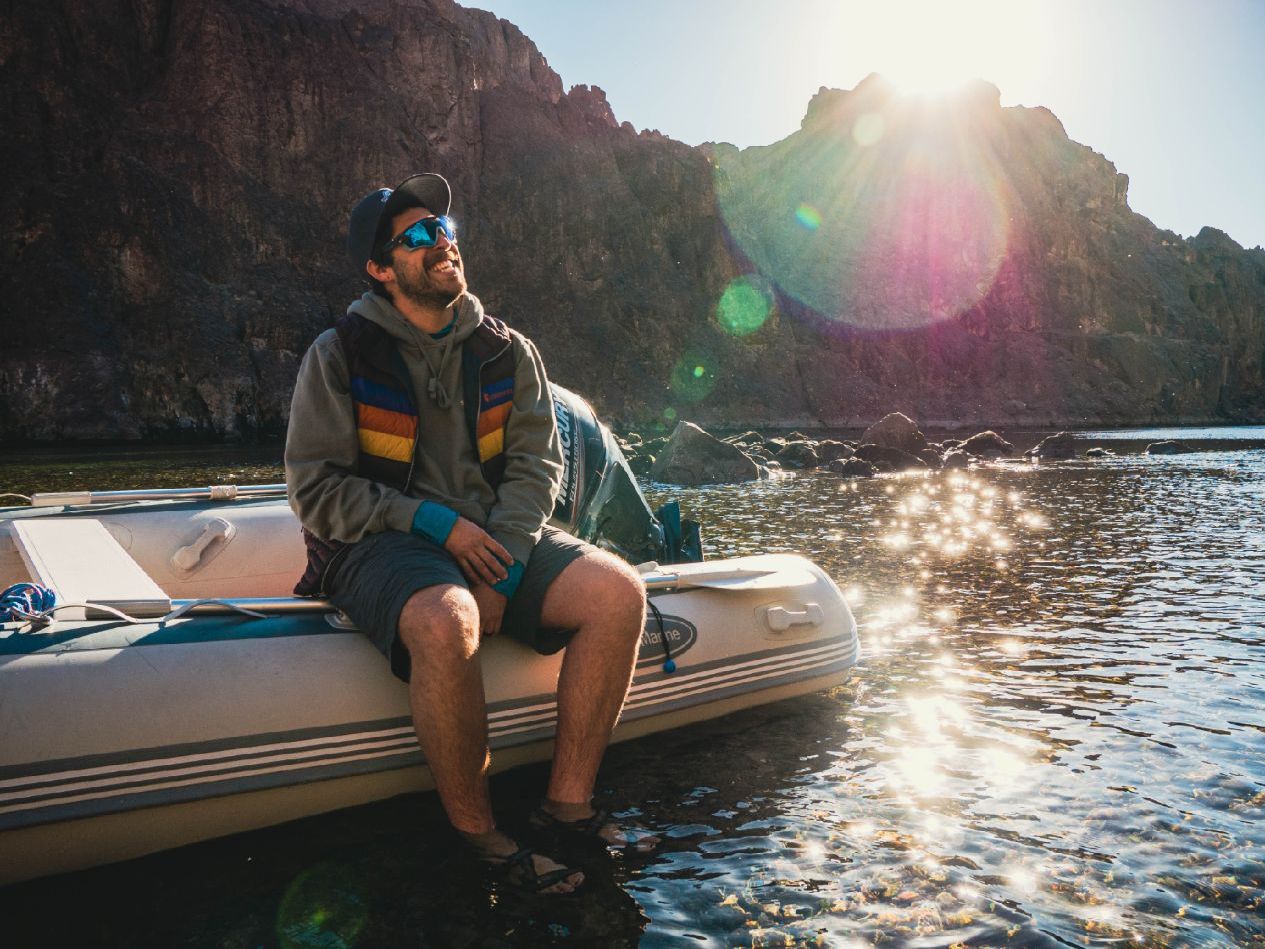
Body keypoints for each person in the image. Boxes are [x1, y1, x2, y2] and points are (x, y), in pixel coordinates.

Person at [285, 173, 650, 894]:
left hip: (490, 537)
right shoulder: (338, 354)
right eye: (416, 237)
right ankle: (482, 839)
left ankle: (565, 808)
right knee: (445, 619)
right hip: (380, 543)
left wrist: (505, 565)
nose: (440, 242)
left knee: (618, 592)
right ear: (380, 269)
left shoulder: (509, 350)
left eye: (444, 229)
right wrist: (428, 521)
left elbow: (535, 466)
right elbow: (316, 490)